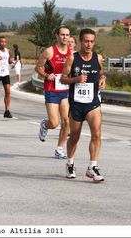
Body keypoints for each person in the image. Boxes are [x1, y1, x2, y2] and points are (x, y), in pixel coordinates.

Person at [61, 28, 106, 182]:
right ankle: (70, 163)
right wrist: (76, 79)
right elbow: (63, 79)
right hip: (77, 103)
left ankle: (92, 167)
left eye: (91, 41)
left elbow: (101, 72)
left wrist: (103, 79)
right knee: (74, 136)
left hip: (93, 103)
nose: (89, 44)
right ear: (80, 41)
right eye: (86, 41)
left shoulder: (98, 58)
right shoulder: (72, 59)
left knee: (97, 133)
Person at [35, 26, 72, 159]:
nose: (65, 37)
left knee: (66, 121)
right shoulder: (49, 51)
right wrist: (45, 75)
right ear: (57, 36)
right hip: (51, 89)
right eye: (62, 34)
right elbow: (38, 67)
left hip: (65, 90)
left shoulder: (71, 54)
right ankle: (45, 125)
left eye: (67, 35)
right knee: (54, 123)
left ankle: (59, 149)